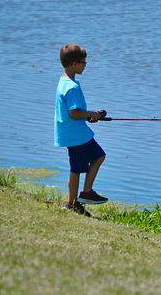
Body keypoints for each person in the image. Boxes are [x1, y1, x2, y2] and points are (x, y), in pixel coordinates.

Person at [54, 43, 108, 216]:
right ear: (74, 64)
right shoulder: (72, 87)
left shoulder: (63, 81)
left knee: (76, 168)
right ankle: (85, 193)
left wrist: (88, 117)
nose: (85, 65)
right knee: (98, 156)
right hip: (76, 135)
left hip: (71, 133)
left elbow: (74, 113)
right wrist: (91, 113)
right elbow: (74, 112)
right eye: (83, 63)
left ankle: (73, 202)